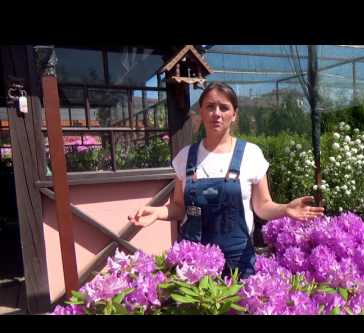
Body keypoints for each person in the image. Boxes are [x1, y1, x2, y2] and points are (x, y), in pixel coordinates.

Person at [128, 81, 324, 279]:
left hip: (238, 262)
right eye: (210, 107)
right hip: (193, 265)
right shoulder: (185, 157)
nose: (217, 113)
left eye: (224, 107)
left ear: (234, 114)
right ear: (201, 112)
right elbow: (180, 207)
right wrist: (158, 212)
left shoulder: (251, 154)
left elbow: (262, 206)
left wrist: (285, 209)